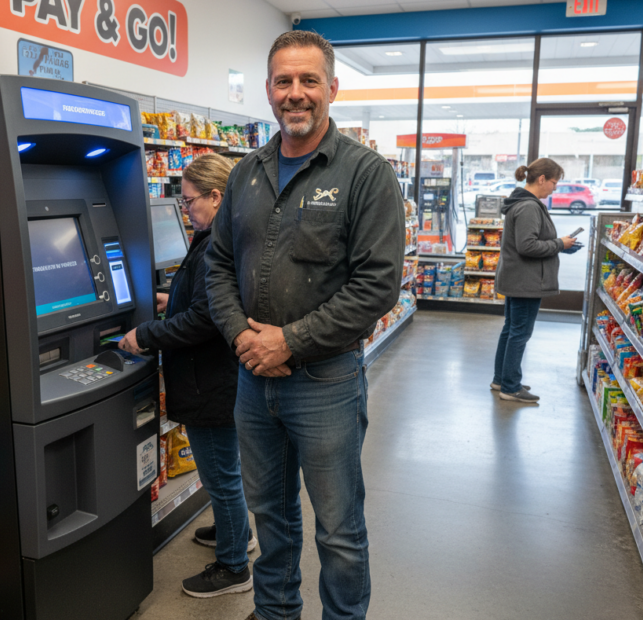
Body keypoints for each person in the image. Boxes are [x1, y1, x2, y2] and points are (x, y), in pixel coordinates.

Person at [205, 31, 405, 620]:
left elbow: (377, 285)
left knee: (338, 529)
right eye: (284, 82)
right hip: (251, 380)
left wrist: (288, 340)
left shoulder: (365, 175)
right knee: (270, 517)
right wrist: (243, 336)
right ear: (269, 90)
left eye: (309, 80)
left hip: (326, 384)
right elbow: (217, 263)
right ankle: (275, 613)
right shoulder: (245, 174)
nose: (296, 94)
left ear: (332, 89)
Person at [119, 154, 257, 598]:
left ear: (217, 197)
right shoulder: (219, 235)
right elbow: (202, 301)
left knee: (221, 474)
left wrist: (145, 335)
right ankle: (237, 534)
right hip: (217, 379)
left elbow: (205, 319)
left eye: (190, 200)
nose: (185, 210)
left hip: (210, 384)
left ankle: (234, 567)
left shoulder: (217, 241)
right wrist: (168, 299)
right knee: (226, 470)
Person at [493, 158, 576, 404]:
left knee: (511, 330)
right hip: (526, 281)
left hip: (519, 278)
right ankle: (510, 386)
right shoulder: (529, 207)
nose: (554, 188)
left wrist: (559, 244)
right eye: (554, 182)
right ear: (541, 179)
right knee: (519, 333)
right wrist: (560, 243)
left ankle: (502, 378)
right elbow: (527, 245)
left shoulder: (522, 203)